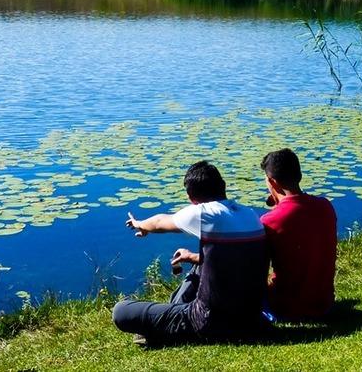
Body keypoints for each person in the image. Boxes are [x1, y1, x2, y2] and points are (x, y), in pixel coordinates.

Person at [112, 160, 267, 347]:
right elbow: (231, 258)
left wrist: (139, 224)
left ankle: (164, 329)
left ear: (191, 197)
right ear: (223, 186)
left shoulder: (203, 213)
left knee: (121, 310)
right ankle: (169, 320)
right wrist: (193, 257)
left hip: (209, 321)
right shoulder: (250, 214)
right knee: (197, 266)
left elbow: (161, 221)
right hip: (252, 319)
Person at [259, 148, 338, 322]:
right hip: (325, 304)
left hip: (286, 308)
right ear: (299, 176)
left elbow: (255, 268)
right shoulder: (325, 207)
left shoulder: (269, 221)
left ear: (272, 182)